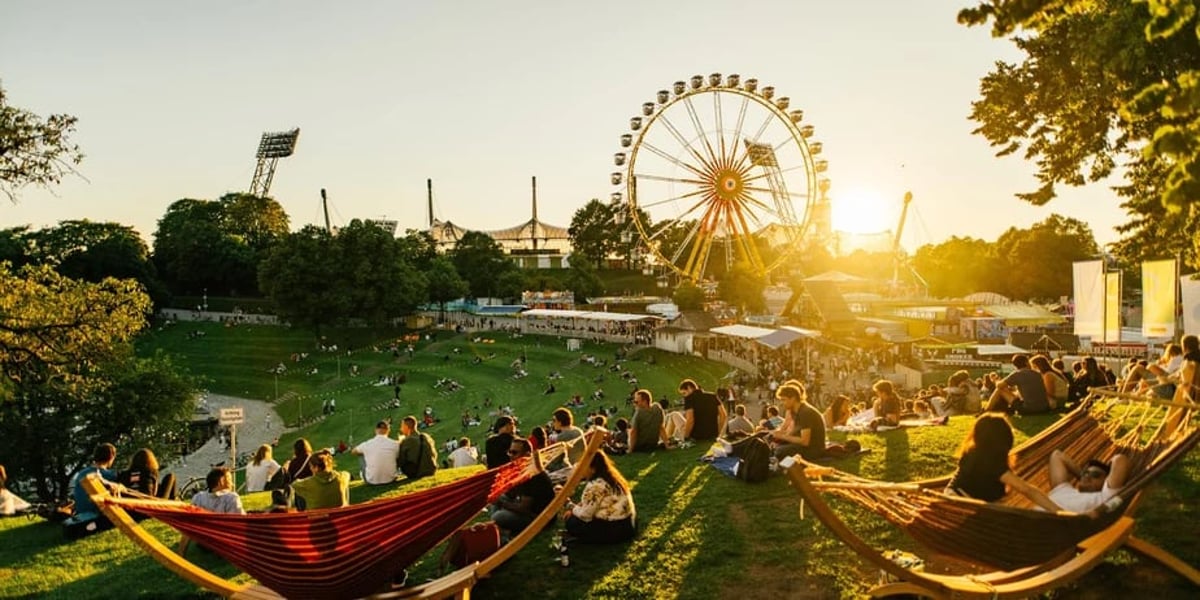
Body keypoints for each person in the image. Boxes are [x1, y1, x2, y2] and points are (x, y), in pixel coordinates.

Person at [944, 413, 1061, 511]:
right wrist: (1059, 512)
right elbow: (1026, 489)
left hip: (952, 496)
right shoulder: (991, 461)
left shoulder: (971, 451)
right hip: (963, 504)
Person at [562, 450, 636, 544]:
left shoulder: (595, 485)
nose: (581, 468)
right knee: (575, 515)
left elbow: (585, 515)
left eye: (584, 465)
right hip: (628, 525)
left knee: (571, 522)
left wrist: (569, 505)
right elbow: (591, 504)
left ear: (593, 469)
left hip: (614, 530)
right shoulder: (612, 478)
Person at [490, 438, 554, 539]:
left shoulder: (532, 475)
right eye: (509, 452)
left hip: (539, 518)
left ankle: (497, 530)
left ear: (527, 454)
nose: (511, 456)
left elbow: (524, 508)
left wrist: (502, 503)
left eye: (514, 453)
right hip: (528, 510)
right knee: (497, 498)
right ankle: (496, 529)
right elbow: (512, 494)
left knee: (498, 516)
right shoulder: (522, 469)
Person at [1045, 450, 1129, 514]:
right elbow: (1057, 455)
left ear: (1106, 481)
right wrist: (1081, 476)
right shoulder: (1063, 489)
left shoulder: (1104, 497)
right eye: (1086, 473)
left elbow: (1121, 460)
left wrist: (1111, 460)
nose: (1088, 476)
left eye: (1095, 475)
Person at [69, 443, 124, 533]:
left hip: (80, 512)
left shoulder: (81, 473)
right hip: (96, 513)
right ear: (112, 456)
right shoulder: (110, 475)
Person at [770, 382, 826, 461]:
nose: (781, 403)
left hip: (813, 450)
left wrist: (782, 436)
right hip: (803, 447)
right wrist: (777, 436)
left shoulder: (805, 413)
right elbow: (794, 433)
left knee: (778, 451)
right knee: (772, 446)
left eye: (784, 400)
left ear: (793, 398)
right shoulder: (795, 411)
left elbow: (804, 441)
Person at [352, 421, 400, 485]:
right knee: (394, 454)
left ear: (376, 430)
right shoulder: (395, 444)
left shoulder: (367, 444)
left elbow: (353, 451)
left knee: (361, 455)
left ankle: (370, 475)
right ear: (388, 430)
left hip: (372, 481)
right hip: (391, 479)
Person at [397, 415, 438, 480]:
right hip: (431, 470)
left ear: (407, 427)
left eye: (402, 426)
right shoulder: (426, 437)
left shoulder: (407, 441)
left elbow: (401, 460)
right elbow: (434, 454)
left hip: (416, 472)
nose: (401, 429)